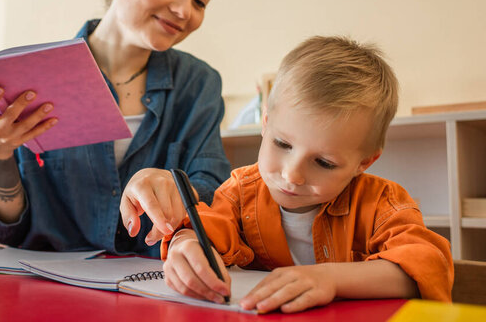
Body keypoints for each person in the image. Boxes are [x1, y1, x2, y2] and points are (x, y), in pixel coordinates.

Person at [0, 0, 231, 257]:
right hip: (49, 287)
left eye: (200, 1)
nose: (184, 10)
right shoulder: (34, 76)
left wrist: (173, 189)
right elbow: (12, 227)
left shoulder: (199, 85)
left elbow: (214, 194)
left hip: (152, 288)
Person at [162, 36, 454, 312]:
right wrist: (186, 245)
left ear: (363, 163)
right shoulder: (239, 192)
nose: (292, 175)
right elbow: (205, 230)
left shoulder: (382, 203)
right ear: (265, 122)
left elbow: (426, 266)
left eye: (324, 162)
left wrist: (329, 278)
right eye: (282, 144)